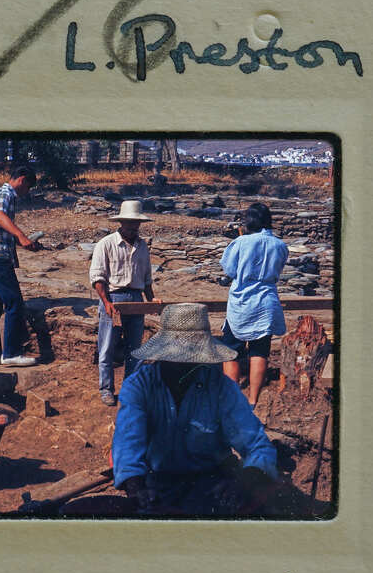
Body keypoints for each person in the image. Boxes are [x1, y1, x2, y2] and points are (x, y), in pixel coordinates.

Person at [112, 303, 278, 516]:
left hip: (212, 482)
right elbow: (127, 442)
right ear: (162, 355)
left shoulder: (221, 387)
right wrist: (135, 486)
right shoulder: (139, 386)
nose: (185, 367)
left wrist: (246, 481)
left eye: (192, 360)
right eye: (177, 360)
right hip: (158, 481)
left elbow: (257, 444)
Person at [220, 202, 289, 408]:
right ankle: (253, 399)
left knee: (231, 350)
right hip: (266, 301)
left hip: (242, 301)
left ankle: (232, 398)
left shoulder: (241, 242)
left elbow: (229, 269)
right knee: (260, 351)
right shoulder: (280, 245)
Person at [89, 200, 157, 406]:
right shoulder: (106, 244)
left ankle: (130, 390)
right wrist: (107, 302)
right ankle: (106, 389)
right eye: (129, 223)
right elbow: (98, 277)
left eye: (135, 224)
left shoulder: (142, 245)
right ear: (121, 222)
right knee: (107, 347)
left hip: (136, 299)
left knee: (135, 349)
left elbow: (146, 278)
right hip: (114, 298)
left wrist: (151, 299)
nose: (132, 227)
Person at [0, 166, 41, 367]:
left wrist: (25, 242)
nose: (26, 192)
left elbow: (1, 225)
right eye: (28, 187)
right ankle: (11, 353)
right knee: (14, 303)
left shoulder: (0, 192)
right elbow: (0, 216)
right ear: (22, 180)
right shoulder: (6, 193)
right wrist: (21, 235)